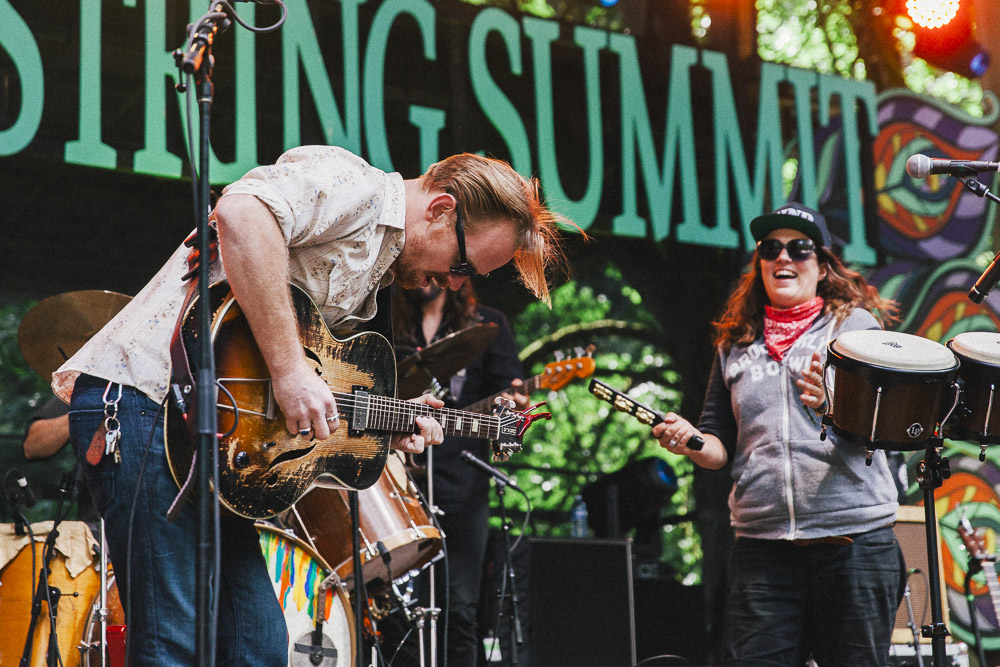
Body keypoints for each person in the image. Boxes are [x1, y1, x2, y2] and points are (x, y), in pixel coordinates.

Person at [51, 146, 565, 665]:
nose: (454, 283)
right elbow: (242, 212)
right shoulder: (357, 187)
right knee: (173, 644)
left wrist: (384, 423)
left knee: (256, 646)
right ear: (440, 209)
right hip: (146, 401)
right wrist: (291, 369)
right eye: (461, 265)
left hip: (211, 434)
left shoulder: (379, 262)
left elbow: (285, 383)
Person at [651, 203, 904, 665]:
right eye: (770, 248)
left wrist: (831, 405)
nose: (783, 257)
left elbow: (884, 423)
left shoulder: (854, 328)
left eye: (799, 248)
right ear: (760, 264)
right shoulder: (734, 344)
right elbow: (718, 442)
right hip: (763, 551)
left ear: (822, 266)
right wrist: (690, 440)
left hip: (853, 542)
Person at [391, 282, 528, 667]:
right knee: (396, 609)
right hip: (395, 479)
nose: (427, 280)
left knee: (460, 607)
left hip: (463, 483)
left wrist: (515, 405)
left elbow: (512, 400)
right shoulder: (383, 319)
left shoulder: (487, 324)